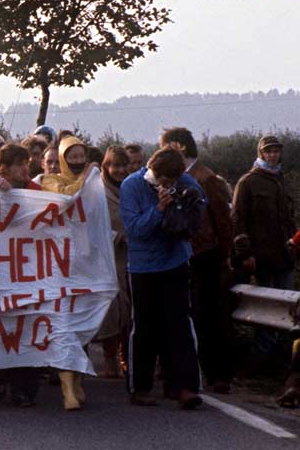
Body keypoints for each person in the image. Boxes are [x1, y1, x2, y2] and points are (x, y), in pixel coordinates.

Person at [120, 147, 204, 410]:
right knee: (145, 328)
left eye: (171, 181)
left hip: (175, 261)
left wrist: (186, 204)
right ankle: (140, 387)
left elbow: (195, 220)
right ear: (151, 168)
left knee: (179, 326)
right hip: (144, 266)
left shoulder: (187, 182)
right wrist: (159, 209)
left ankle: (184, 387)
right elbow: (135, 230)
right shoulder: (132, 185)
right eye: (161, 179)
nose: (165, 184)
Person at [160, 127, 234, 392]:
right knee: (193, 316)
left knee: (210, 317)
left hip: (206, 256)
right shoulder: (182, 177)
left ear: (178, 147)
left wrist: (225, 255)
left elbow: (223, 221)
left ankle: (218, 375)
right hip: (188, 254)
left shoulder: (205, 178)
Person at [40, 136, 94, 410]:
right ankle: (66, 389)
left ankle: (77, 381)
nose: (76, 161)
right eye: (70, 156)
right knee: (62, 324)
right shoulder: (50, 182)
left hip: (81, 263)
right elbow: (69, 197)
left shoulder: (90, 180)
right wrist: (88, 176)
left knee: (80, 323)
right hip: (55, 265)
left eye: (80, 155)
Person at [232, 135, 297, 361]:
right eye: (268, 151)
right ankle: (261, 360)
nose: (273, 155)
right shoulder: (248, 182)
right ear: (261, 154)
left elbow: (289, 220)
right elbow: (237, 221)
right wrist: (245, 254)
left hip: (285, 257)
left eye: (276, 151)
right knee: (266, 313)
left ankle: (282, 360)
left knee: (288, 311)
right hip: (262, 258)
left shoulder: (281, 180)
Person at [0, 144, 43, 407]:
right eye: (20, 164)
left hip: (29, 271)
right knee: (0, 327)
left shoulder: (37, 192)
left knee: (27, 328)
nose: (26, 168)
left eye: (28, 163)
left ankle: (25, 387)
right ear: (4, 168)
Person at [97, 146, 131, 379]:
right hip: (108, 258)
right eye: (114, 166)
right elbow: (92, 225)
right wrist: (117, 237)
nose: (119, 170)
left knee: (130, 310)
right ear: (106, 167)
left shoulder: (133, 189)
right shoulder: (97, 193)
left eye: (123, 165)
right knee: (112, 310)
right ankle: (110, 357)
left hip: (133, 257)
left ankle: (127, 357)